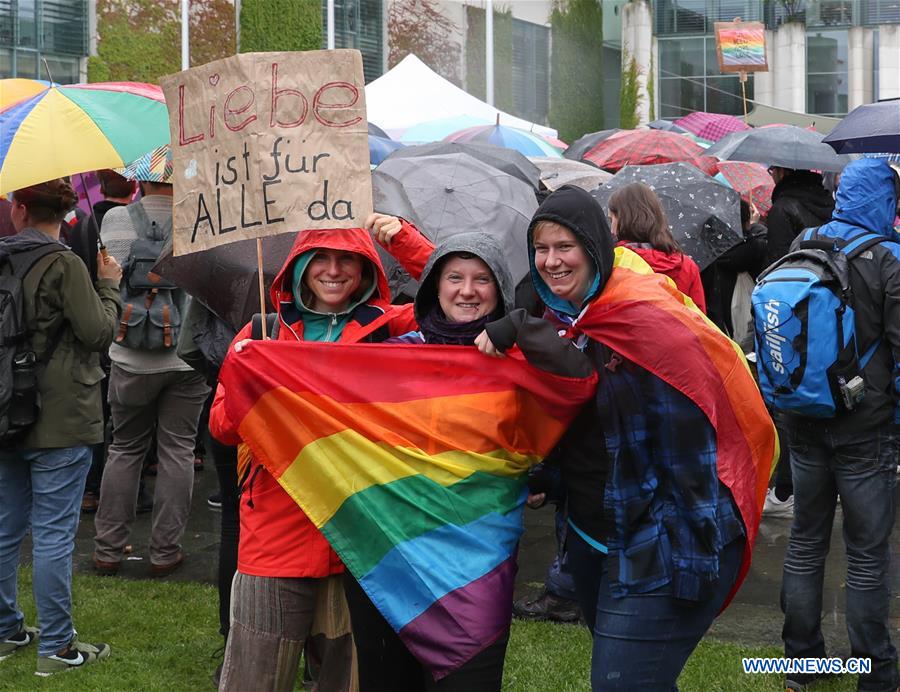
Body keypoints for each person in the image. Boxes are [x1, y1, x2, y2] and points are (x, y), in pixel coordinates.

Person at [477, 185, 774, 690]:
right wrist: (554, 477)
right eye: (541, 249)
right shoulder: (575, 323)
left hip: (659, 551)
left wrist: (689, 569)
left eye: (563, 247)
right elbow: (597, 434)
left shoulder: (643, 321)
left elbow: (690, 460)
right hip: (597, 542)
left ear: (595, 245)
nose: (550, 261)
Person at [209, 220, 426, 692]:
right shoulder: (262, 331)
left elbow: (460, 298)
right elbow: (221, 426)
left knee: (348, 680)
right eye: (321, 258)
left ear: (366, 267)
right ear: (299, 266)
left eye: (347, 258)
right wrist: (256, 384)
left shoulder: (389, 327)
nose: (333, 270)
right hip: (274, 538)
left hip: (358, 540)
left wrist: (402, 239)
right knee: (254, 680)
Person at [780, 158, 900, 692]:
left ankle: (800, 663)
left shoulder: (805, 240)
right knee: (867, 554)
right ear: (886, 201)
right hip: (866, 429)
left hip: (804, 418)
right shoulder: (889, 259)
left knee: (805, 542)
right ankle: (874, 673)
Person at [0, 179, 121, 675]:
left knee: (6, 530)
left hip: (5, 410)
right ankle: (56, 648)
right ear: (63, 213)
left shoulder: (3, 258)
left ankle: (6, 631)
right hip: (62, 415)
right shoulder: (66, 263)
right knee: (52, 535)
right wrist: (108, 286)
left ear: (20, 209)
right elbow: (97, 332)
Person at [93, 173, 210, 577]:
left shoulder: (115, 221)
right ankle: (165, 551)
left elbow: (106, 276)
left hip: (129, 354)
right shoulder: (202, 219)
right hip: (186, 357)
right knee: (178, 450)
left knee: (124, 449)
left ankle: (108, 548)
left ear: (139, 181)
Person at [67, 169, 136, 515]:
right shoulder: (90, 225)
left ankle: (91, 491)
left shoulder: (87, 222)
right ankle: (95, 490)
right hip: (113, 338)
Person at [607, 182, 706, 311]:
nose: (611, 230)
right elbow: (700, 320)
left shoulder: (613, 262)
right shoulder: (687, 266)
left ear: (622, 219)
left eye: (611, 220)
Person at [764, 166, 834, 267]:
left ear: (782, 172)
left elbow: (778, 259)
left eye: (772, 170)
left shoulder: (781, 208)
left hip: (798, 277)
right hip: (829, 274)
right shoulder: (828, 199)